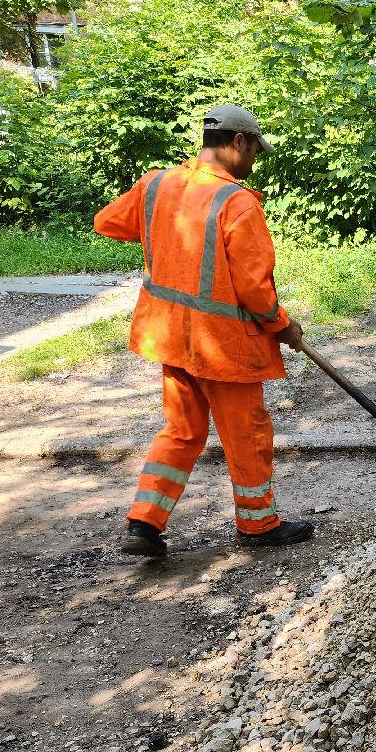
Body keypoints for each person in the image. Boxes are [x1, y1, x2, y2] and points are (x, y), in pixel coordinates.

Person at [94, 104, 314, 557]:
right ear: (238, 142)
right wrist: (283, 326)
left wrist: (165, 232)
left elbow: (107, 223)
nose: (254, 161)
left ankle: (144, 523)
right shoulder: (236, 202)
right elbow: (254, 289)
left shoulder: (157, 184)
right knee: (247, 434)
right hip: (223, 347)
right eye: (254, 151)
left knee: (181, 430)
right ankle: (258, 524)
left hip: (170, 337)